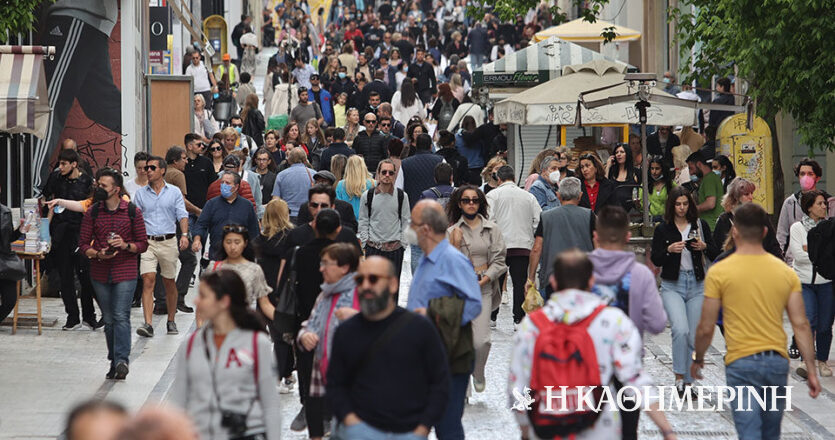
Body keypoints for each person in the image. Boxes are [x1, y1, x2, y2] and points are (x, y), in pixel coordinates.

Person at [692, 203, 821, 439]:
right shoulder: (784, 273)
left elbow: (706, 326)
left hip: (740, 363)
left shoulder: (719, 271)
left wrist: (698, 358)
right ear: (764, 232)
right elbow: (801, 324)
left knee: (749, 431)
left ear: (735, 232)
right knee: (771, 433)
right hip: (775, 363)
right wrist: (811, 369)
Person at [509, 249, 668, 440]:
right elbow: (634, 379)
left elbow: (517, 384)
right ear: (591, 281)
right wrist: (667, 430)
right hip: (600, 427)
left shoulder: (532, 326)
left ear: (554, 282)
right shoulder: (613, 321)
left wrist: (525, 428)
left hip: (547, 426)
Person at [327, 256, 449, 439]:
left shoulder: (419, 328)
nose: (366, 285)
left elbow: (440, 381)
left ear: (393, 284)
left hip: (408, 431)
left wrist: (422, 427)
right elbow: (335, 383)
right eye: (360, 280)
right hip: (359, 431)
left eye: (374, 279)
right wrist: (351, 421)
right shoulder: (346, 332)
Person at [170, 269, 281, 440]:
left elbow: (270, 403)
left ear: (224, 302)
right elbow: (178, 402)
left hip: (246, 433)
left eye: (203, 296)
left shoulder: (257, 343)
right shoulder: (191, 345)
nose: (196, 301)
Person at [588, 205, 669, 438]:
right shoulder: (640, 274)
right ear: (628, 236)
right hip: (629, 367)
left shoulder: (579, 271)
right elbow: (657, 323)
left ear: (595, 236)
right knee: (627, 431)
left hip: (587, 368)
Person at [407, 200, 481, 440]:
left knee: (447, 427)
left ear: (425, 229)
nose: (410, 229)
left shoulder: (451, 260)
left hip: (448, 356)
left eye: (413, 224)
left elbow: (473, 303)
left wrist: (433, 317)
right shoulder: (427, 260)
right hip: (423, 358)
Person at [78, 169, 149, 380]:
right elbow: (82, 243)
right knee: (108, 319)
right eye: (98, 184)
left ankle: (121, 360)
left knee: (120, 315)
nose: (99, 188)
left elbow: (143, 244)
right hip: (100, 272)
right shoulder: (93, 212)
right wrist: (97, 253)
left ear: (116, 189)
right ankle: (113, 360)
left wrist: (125, 245)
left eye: (103, 186)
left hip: (125, 270)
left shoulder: (132, 211)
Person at [650, 186, 718, 394]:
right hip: (673, 284)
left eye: (685, 204)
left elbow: (716, 252)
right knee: (680, 329)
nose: (681, 208)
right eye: (678, 204)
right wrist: (669, 250)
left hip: (697, 284)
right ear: (672, 205)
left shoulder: (700, 225)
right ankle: (679, 376)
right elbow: (656, 258)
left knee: (693, 334)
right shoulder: (664, 229)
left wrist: (704, 247)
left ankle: (690, 380)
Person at [297, 243, 361, 440]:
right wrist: (304, 336)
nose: (321, 268)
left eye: (326, 263)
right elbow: (310, 324)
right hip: (322, 374)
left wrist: (358, 318)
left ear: (344, 267)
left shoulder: (362, 295)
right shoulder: (324, 295)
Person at [446, 186, 507, 392]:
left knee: (482, 341)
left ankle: (478, 372)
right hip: (459, 292)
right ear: (459, 204)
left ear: (480, 203)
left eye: (474, 200)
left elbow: (500, 260)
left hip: (484, 290)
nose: (471, 204)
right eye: (466, 200)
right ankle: (463, 387)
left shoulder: (492, 229)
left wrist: (486, 278)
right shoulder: (451, 232)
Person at [133, 156, 189, 337]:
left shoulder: (174, 192)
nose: (147, 171)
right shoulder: (140, 194)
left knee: (168, 281)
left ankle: (171, 320)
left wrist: (185, 235)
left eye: (151, 168)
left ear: (162, 170)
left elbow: (182, 214)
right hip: (148, 242)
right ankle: (148, 324)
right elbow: (135, 217)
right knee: (148, 279)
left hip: (168, 241)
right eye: (146, 168)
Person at [42, 149, 98, 330]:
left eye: (64, 164)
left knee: (85, 277)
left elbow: (91, 208)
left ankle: (89, 317)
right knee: (65, 277)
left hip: (81, 233)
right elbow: (49, 203)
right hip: (60, 232)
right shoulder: (56, 179)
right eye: (59, 163)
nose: (61, 167)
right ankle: (72, 317)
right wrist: (45, 233)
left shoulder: (87, 181)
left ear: (74, 164)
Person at [487, 165, 541, 326]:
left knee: (496, 281)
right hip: (523, 246)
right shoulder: (528, 196)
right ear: (514, 178)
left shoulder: (492, 195)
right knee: (519, 282)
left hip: (500, 247)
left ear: (499, 179)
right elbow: (537, 220)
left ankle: (492, 316)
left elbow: (489, 221)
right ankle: (518, 318)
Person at [789, 190, 834, 378]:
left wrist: (812, 251)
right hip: (804, 282)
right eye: (820, 204)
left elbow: (830, 257)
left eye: (825, 204)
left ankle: (822, 360)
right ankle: (806, 361)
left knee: (825, 324)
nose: (824, 207)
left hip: (826, 283)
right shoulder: (797, 228)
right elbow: (797, 255)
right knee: (808, 321)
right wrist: (819, 255)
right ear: (809, 207)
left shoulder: (830, 228)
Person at [527, 177, 596, 300]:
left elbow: (537, 248)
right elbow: (598, 246)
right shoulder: (589, 216)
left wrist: (531, 278)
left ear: (558, 195)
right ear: (580, 196)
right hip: (582, 275)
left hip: (553, 276)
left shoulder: (546, 217)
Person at [192, 171, 261, 262]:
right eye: (222, 182)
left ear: (236, 187)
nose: (224, 185)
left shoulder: (247, 205)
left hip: (241, 257)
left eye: (227, 183)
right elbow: (201, 224)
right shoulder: (211, 204)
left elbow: (254, 231)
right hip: (217, 255)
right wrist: (197, 240)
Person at [359, 160, 411, 280]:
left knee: (392, 289)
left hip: (395, 250)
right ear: (378, 173)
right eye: (384, 172)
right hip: (373, 249)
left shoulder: (402, 196)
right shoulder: (368, 195)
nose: (387, 175)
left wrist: (402, 244)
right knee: (373, 288)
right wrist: (365, 242)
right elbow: (363, 220)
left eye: (391, 173)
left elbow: (406, 221)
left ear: (394, 175)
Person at [713, 177, 782, 257]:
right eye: (746, 194)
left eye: (752, 193)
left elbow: (773, 246)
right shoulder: (724, 220)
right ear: (736, 196)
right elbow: (718, 250)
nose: (751, 197)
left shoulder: (761, 217)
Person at [0, 184, 30, 325]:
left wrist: (20, 230)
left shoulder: (5, 212)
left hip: (4, 261)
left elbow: (9, 237)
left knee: (10, 299)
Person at [272, 147, 316, 222]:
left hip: (287, 216)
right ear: (305, 159)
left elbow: (275, 200)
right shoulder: (314, 174)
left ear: (289, 159)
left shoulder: (281, 175)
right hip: (308, 215)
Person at [686, 151, 725, 230]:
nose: (691, 172)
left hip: (711, 226)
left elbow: (710, 204)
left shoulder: (709, 179)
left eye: (691, 168)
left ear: (699, 164)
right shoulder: (710, 178)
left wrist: (693, 209)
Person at [605, 143, 640, 210]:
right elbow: (604, 186)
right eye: (616, 152)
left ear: (627, 154)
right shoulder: (611, 171)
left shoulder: (636, 172)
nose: (618, 154)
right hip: (613, 210)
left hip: (631, 211)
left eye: (622, 152)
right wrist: (608, 166)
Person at [640, 156, 674, 221]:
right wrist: (638, 205)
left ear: (663, 169)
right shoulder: (644, 185)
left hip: (667, 220)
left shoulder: (671, 184)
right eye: (652, 169)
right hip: (650, 220)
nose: (654, 172)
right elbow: (642, 206)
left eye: (657, 168)